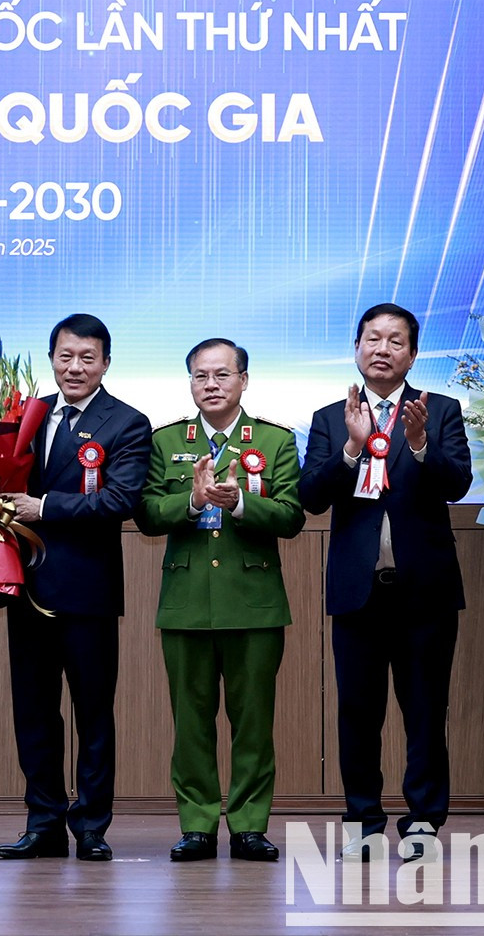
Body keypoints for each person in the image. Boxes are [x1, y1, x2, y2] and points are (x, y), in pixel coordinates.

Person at [301, 302, 472, 860]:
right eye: (372, 339)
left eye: (395, 341)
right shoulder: (331, 417)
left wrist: (421, 445)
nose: (382, 349)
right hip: (358, 590)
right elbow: (311, 497)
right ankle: (363, 820)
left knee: (425, 709)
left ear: (413, 354)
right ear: (356, 348)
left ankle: (423, 821)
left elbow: (457, 481)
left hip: (425, 590)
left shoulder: (441, 411)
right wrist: (351, 448)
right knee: (358, 709)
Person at [139, 338, 303, 863]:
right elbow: (144, 512)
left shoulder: (274, 440)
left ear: (244, 380)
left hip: (253, 602)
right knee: (191, 722)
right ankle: (198, 825)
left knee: (253, 722)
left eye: (222, 375)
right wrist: (191, 499)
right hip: (187, 601)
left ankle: (251, 825)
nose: (211, 385)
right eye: (200, 376)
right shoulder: (166, 441)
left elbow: (293, 516)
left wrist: (240, 505)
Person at [0, 313, 151, 863]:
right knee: (33, 712)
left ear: (106, 363)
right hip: (27, 586)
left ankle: (90, 825)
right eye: (66, 356)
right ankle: (43, 822)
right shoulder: (25, 416)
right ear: (52, 358)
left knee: (93, 714)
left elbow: (120, 501)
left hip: (88, 592)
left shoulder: (128, 423)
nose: (75, 367)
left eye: (88, 358)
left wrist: (45, 507)